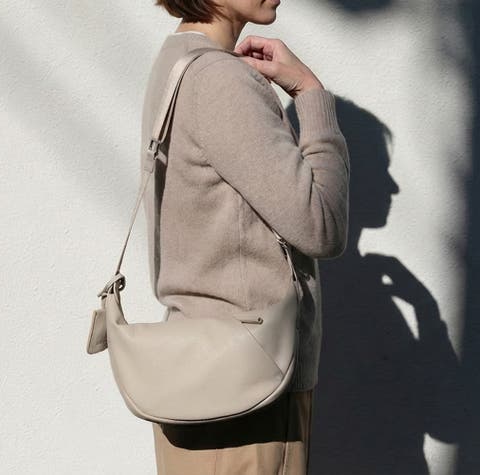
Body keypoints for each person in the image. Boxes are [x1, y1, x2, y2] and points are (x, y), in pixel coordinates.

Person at [142, 1, 351, 473]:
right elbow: (322, 226)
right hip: (248, 388)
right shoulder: (220, 79)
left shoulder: (176, 62)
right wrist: (311, 93)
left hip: (196, 377)